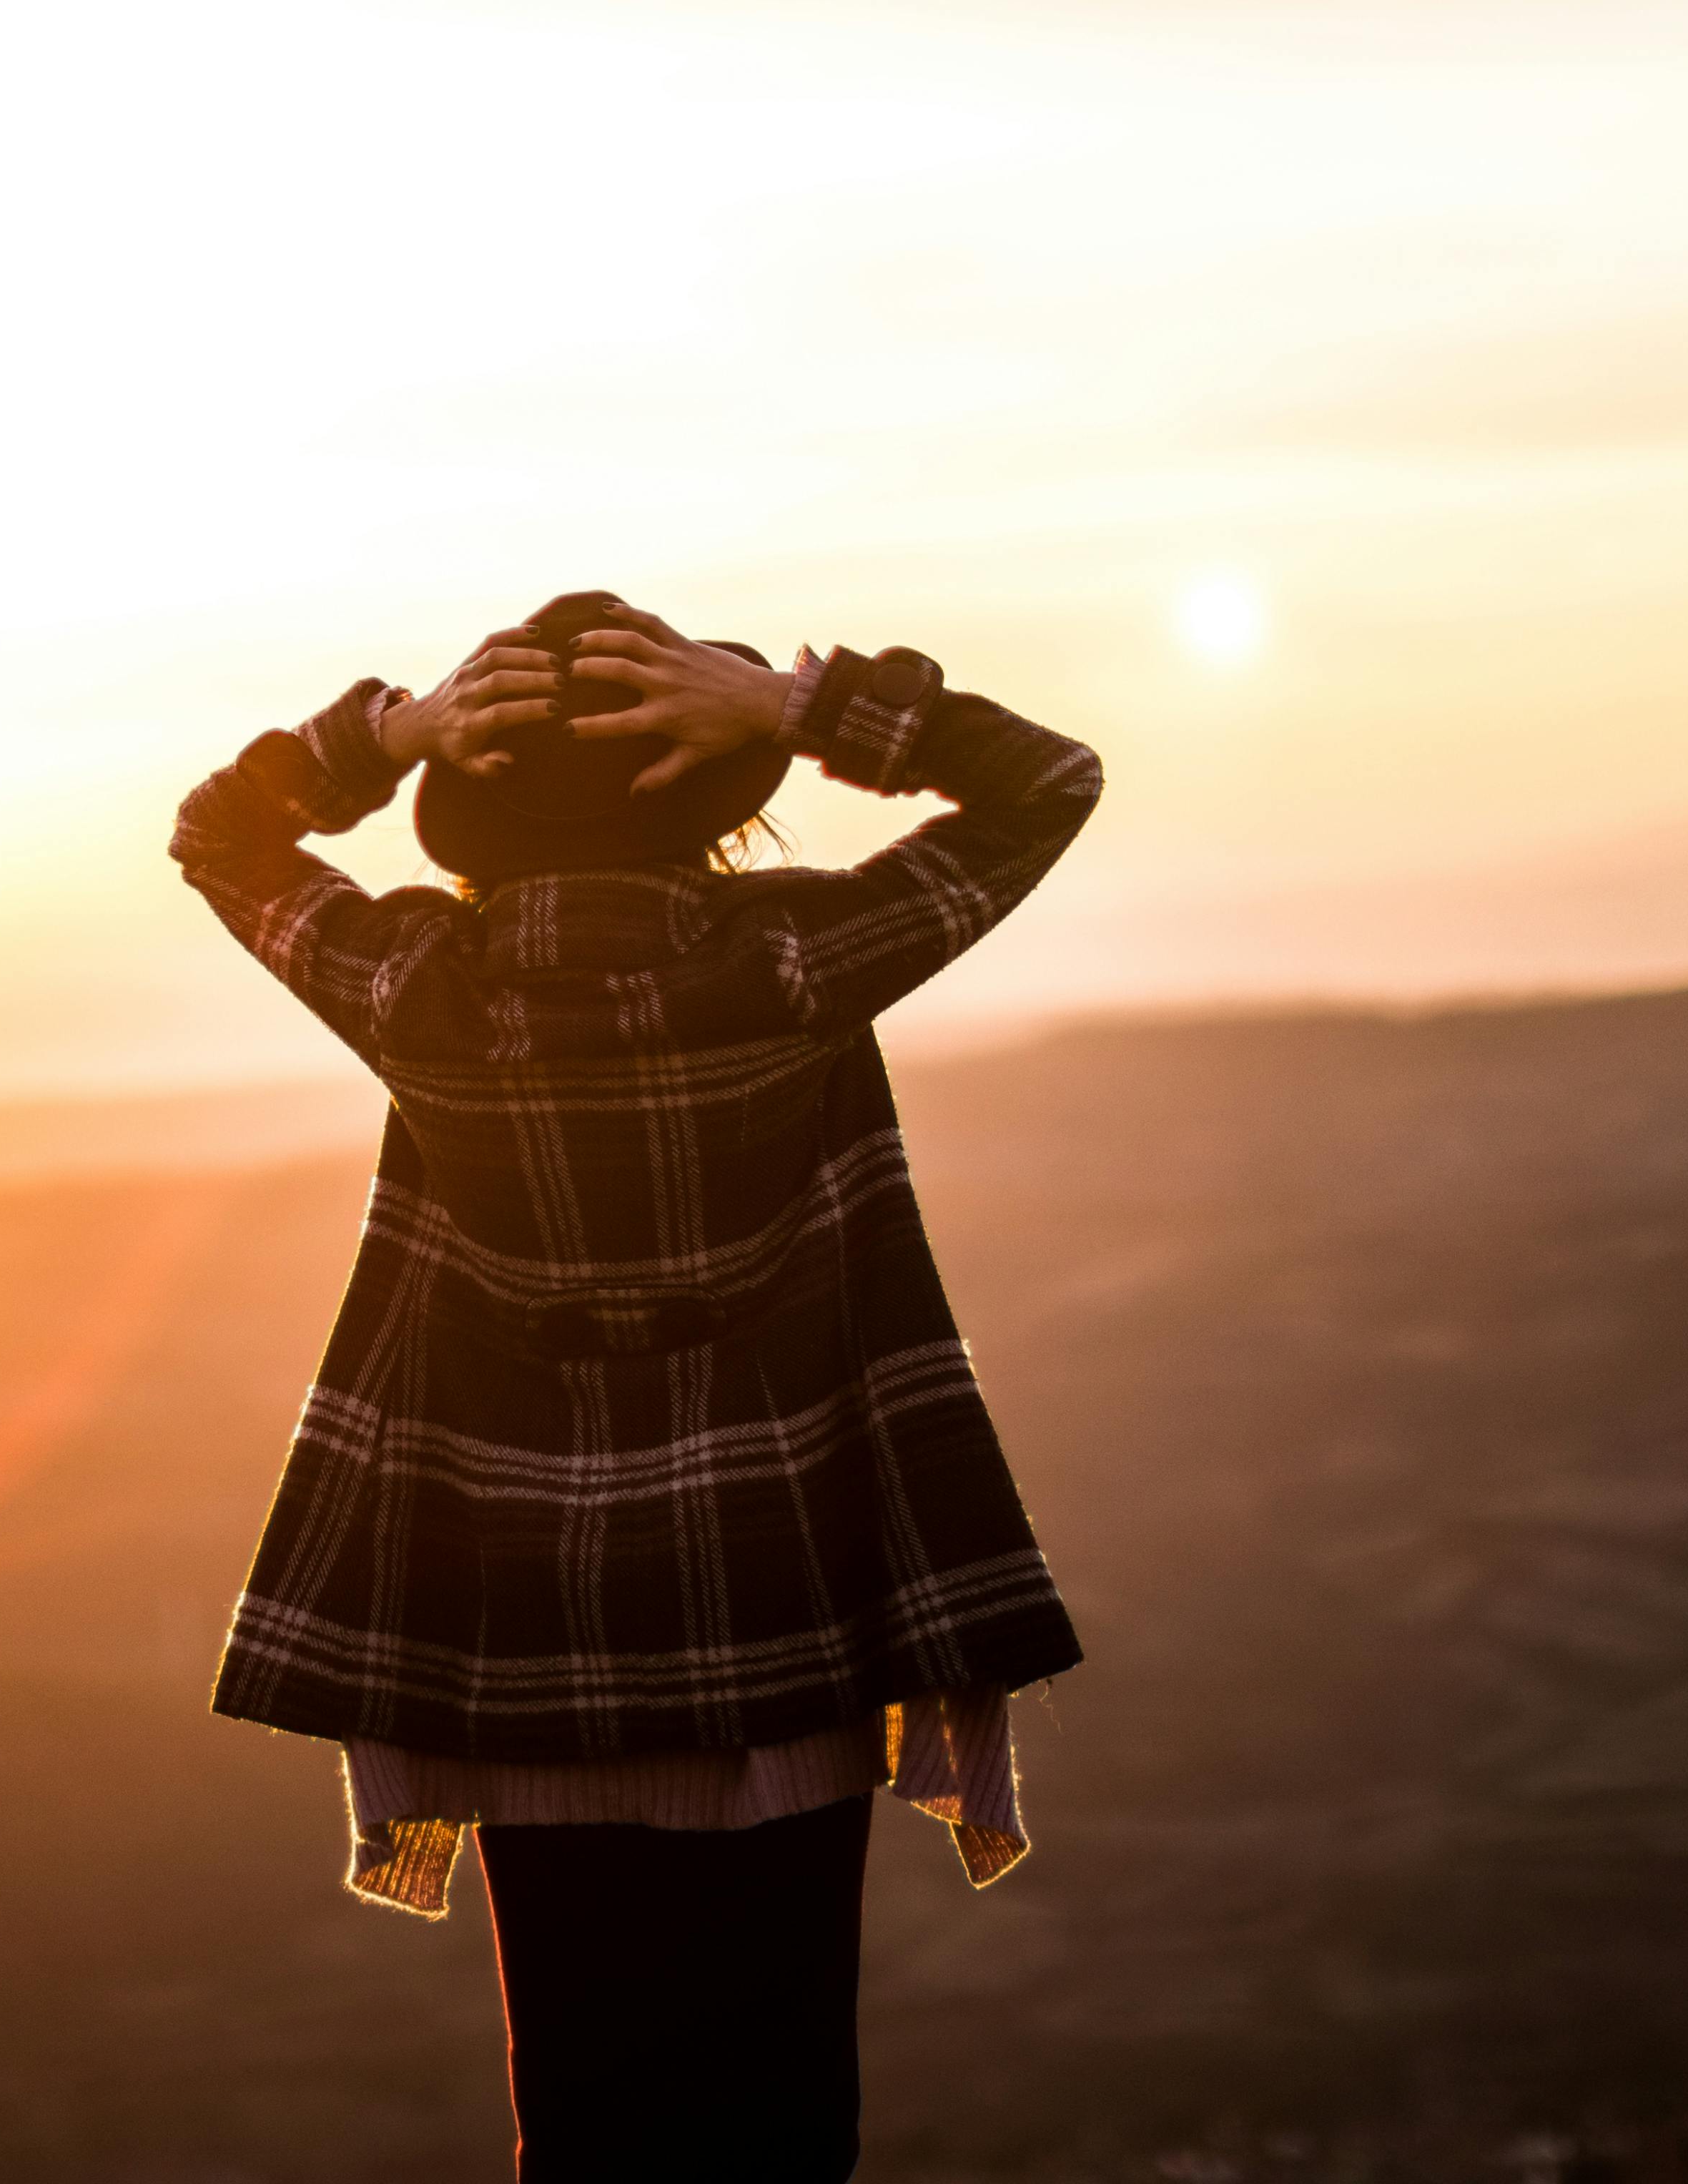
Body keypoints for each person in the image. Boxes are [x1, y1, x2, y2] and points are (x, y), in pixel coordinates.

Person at [167, 589, 1100, 2183]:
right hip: (786, 1601)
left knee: (590, 2117)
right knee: (785, 2110)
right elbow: (1049, 783)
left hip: (527, 1632)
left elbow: (219, 839)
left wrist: (389, 734)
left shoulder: (422, 989)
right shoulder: (794, 958)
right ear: (710, 804)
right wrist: (800, 707)